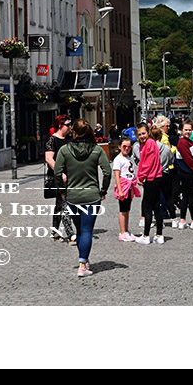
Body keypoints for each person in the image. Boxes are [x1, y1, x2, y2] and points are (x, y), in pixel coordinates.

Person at [53, 119, 112, 277]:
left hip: (72, 196)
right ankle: (83, 264)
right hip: (92, 195)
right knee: (86, 230)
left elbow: (57, 172)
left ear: (75, 132)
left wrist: (62, 191)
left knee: (80, 230)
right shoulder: (97, 150)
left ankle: (83, 261)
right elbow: (107, 172)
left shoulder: (65, 150)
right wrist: (103, 190)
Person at [44, 115, 75, 243]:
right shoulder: (52, 140)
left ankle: (55, 232)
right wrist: (60, 172)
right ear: (60, 125)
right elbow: (49, 159)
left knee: (59, 205)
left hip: (69, 176)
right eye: (68, 124)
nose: (70, 127)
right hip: (57, 177)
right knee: (63, 204)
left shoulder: (69, 139)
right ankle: (70, 233)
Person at [134, 122, 165, 244]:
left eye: (143, 133)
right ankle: (159, 235)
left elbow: (147, 163)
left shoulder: (149, 143)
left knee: (147, 206)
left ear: (148, 133)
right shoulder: (146, 144)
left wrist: (141, 177)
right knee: (156, 206)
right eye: (139, 134)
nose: (142, 136)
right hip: (154, 177)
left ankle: (146, 235)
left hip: (151, 178)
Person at [112, 135, 140, 242]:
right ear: (119, 146)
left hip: (130, 186)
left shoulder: (129, 158)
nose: (126, 149)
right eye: (124, 146)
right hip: (123, 186)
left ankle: (126, 230)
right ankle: (122, 232)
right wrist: (120, 190)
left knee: (127, 209)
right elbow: (117, 176)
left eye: (129, 147)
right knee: (123, 210)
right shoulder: (118, 159)